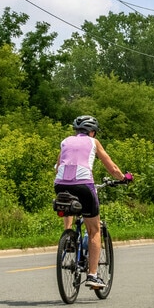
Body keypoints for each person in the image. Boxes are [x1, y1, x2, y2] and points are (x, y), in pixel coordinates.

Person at [54, 115, 132, 289]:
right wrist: (124, 178)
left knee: (69, 207)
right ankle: (92, 275)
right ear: (92, 131)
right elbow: (111, 167)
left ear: (76, 130)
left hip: (60, 185)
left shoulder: (65, 141)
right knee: (94, 229)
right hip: (84, 185)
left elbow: (58, 166)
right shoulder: (93, 143)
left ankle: (68, 235)